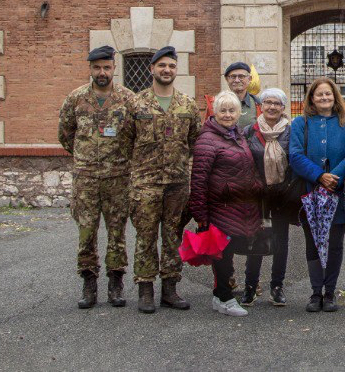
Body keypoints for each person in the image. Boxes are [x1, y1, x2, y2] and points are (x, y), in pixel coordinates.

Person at [57, 46, 136, 309]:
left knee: (117, 234)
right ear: (90, 69)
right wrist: (84, 157)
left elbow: (136, 135)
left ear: (114, 68)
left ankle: (116, 283)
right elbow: (65, 134)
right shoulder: (76, 98)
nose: (101, 73)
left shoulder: (128, 99)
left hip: (118, 178)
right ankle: (89, 284)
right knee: (86, 233)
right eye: (96, 68)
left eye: (106, 67)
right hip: (87, 179)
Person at [127, 46, 200, 313]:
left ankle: (170, 289)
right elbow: (126, 141)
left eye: (171, 66)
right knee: (145, 237)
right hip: (145, 183)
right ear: (152, 69)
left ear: (175, 70)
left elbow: (194, 141)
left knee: (172, 236)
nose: (166, 70)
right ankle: (145, 289)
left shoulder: (187, 104)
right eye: (161, 66)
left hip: (177, 183)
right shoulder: (136, 104)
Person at [188, 91, 264, 317]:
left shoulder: (237, 135)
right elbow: (199, 178)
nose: (228, 115)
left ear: (239, 113)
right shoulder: (207, 139)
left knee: (228, 250)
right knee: (223, 252)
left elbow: (247, 166)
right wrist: (200, 214)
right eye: (223, 110)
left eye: (232, 110)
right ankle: (225, 298)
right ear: (214, 112)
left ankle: (219, 295)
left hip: (239, 205)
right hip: (219, 207)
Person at [289, 77, 345, 312]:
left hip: (337, 193)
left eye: (328, 94)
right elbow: (295, 155)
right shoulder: (301, 123)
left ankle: (330, 292)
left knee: (335, 244)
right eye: (319, 94)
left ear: (335, 96)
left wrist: (332, 177)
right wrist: (319, 176)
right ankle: (315, 291)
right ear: (312, 98)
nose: (324, 98)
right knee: (313, 244)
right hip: (311, 192)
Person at [242, 87, 298, 307]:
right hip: (257, 196)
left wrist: (287, 188)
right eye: (268, 102)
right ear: (261, 106)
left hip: (282, 196)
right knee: (254, 240)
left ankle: (277, 286)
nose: (272, 107)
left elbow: (295, 161)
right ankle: (250, 286)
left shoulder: (292, 132)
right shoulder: (249, 131)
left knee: (280, 242)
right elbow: (244, 162)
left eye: (277, 103)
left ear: (283, 108)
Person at [222, 62, 261, 129]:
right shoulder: (216, 104)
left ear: (250, 79)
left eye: (241, 76)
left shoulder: (259, 104)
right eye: (233, 76)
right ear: (227, 79)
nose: (237, 80)